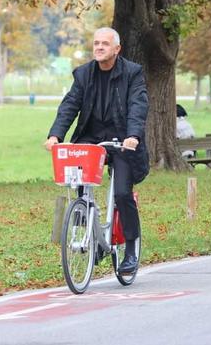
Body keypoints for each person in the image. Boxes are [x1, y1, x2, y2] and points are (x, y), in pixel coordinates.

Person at [44, 27, 149, 274]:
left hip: (122, 139)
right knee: (80, 187)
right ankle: (94, 233)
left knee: (123, 194)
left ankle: (131, 249)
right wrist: (55, 134)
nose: (99, 47)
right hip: (91, 138)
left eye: (104, 44)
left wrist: (133, 136)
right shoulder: (84, 74)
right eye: (96, 43)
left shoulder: (132, 73)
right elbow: (70, 105)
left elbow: (138, 105)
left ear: (117, 49)